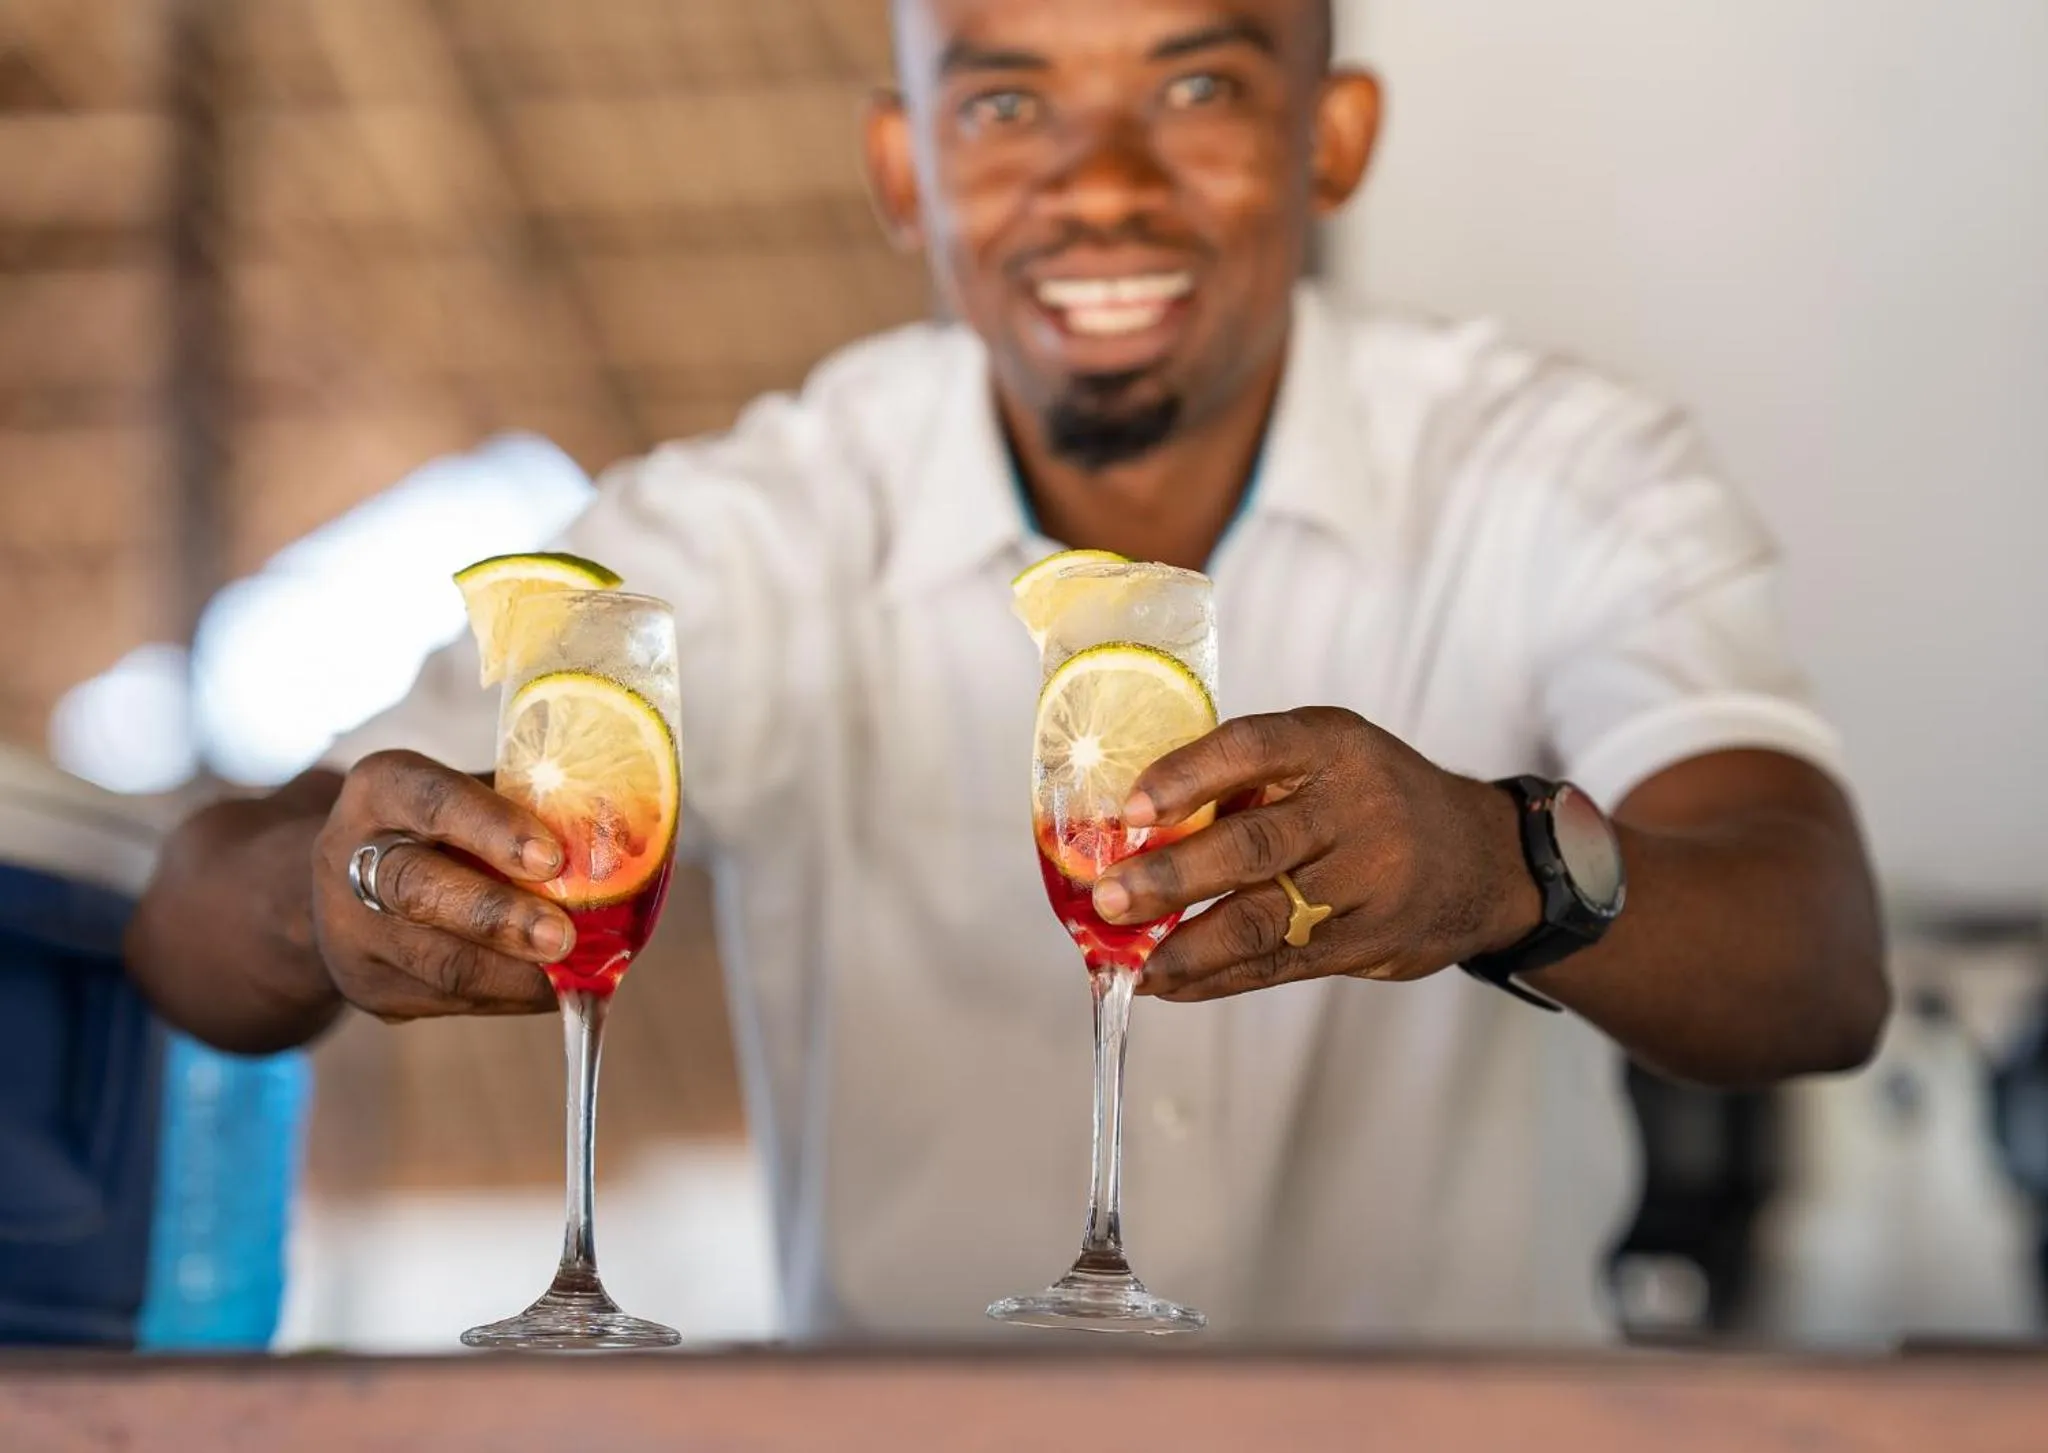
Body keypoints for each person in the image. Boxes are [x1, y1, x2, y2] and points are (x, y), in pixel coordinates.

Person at [126, 0, 1888, 1341]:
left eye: (1197, 89)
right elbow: (190, 928)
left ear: (1333, 138)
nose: (1102, 184)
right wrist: (332, 895)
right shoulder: (750, 527)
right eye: (1004, 104)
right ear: (903, 168)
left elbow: (1817, 962)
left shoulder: (1558, 468)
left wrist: (1501, 872)